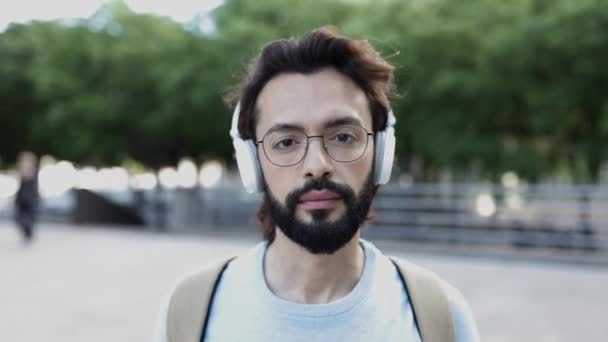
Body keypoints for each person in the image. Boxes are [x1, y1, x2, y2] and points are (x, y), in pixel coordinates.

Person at [155, 28, 480, 342]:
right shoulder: (189, 312)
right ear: (252, 162)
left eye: (342, 137)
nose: (317, 166)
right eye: (286, 142)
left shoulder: (441, 316)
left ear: (382, 151)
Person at [14, 151, 39, 243]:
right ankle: (26, 233)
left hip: (30, 199)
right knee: (18, 218)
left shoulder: (33, 172)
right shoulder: (21, 171)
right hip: (21, 199)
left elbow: (34, 188)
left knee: (28, 219)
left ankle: (28, 233)